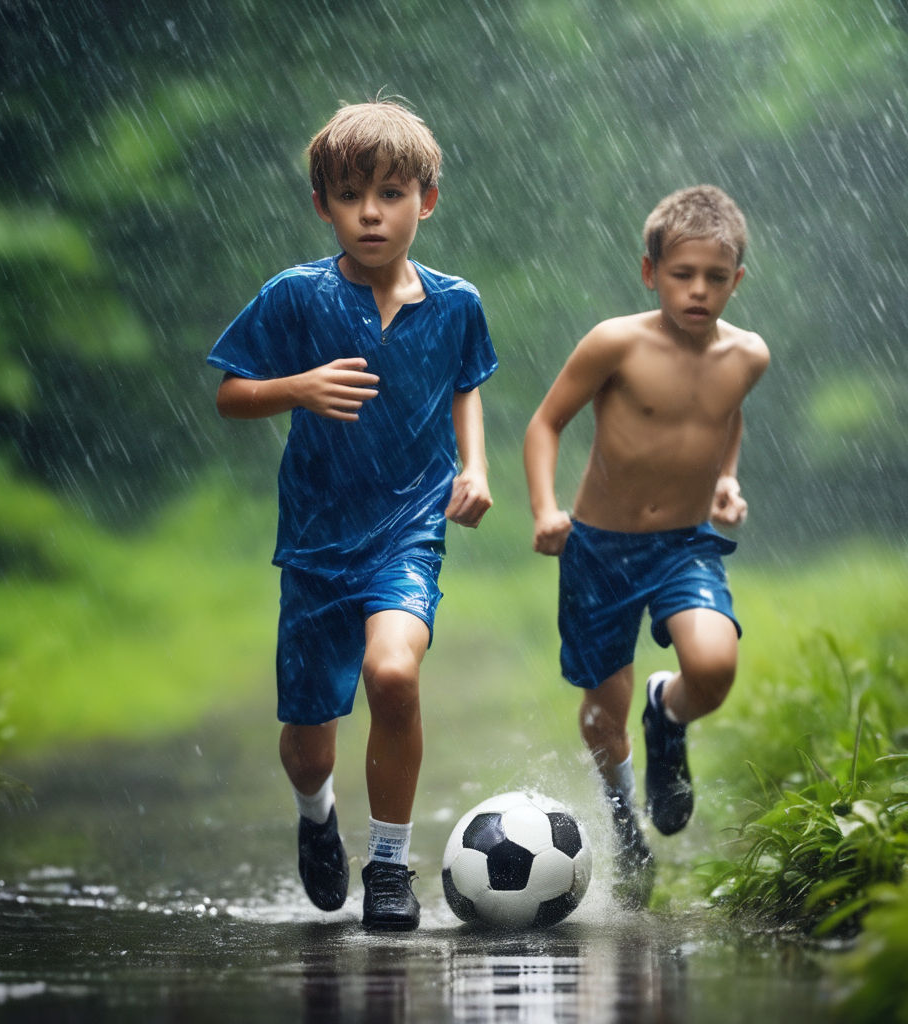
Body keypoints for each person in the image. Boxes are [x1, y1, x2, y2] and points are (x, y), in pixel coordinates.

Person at [208, 100, 497, 930]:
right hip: (315, 541)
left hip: (409, 525)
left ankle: (390, 865)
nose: (371, 212)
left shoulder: (457, 304)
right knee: (307, 740)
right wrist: (297, 388)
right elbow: (231, 393)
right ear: (322, 206)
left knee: (395, 673)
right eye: (350, 195)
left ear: (426, 201)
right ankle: (317, 815)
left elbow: (466, 385)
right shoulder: (296, 297)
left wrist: (474, 467)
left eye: (392, 193)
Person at [523, 185, 770, 906]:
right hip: (599, 547)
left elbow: (726, 416)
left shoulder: (748, 355)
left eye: (715, 278)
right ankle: (624, 818)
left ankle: (669, 713)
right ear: (650, 272)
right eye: (681, 274)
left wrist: (726, 479)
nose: (698, 291)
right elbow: (546, 424)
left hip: (683, 545)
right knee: (604, 709)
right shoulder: (616, 342)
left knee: (714, 664)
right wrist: (545, 509)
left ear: (737, 280)